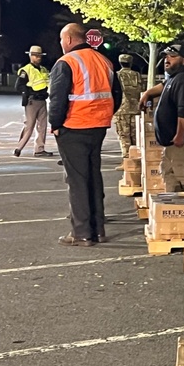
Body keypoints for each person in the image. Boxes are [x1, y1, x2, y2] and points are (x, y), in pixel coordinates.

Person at [48, 23, 123, 246]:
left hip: (74, 127)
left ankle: (81, 233)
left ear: (69, 39)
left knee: (77, 181)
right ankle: (98, 229)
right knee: (93, 176)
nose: (61, 44)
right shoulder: (104, 61)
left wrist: (56, 124)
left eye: (62, 39)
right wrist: (104, 114)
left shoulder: (67, 62)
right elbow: (116, 94)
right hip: (98, 126)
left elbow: (57, 99)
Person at [143, 44, 184, 191]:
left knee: (182, 181)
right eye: (166, 56)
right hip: (173, 144)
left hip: (180, 144)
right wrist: (147, 93)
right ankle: (173, 212)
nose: (167, 59)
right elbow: (164, 85)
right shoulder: (175, 78)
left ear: (183, 60)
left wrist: (179, 136)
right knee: (171, 178)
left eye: (172, 56)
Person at [13, 46, 54, 157]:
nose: (38, 57)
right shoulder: (26, 70)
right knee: (29, 126)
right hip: (32, 101)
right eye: (36, 55)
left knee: (42, 126)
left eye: (39, 55)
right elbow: (19, 86)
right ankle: (18, 148)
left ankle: (39, 149)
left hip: (42, 100)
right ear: (30, 56)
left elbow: (47, 83)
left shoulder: (44, 69)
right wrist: (29, 92)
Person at [113, 53, 143, 165]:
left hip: (121, 109)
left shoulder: (117, 75)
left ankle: (127, 163)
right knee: (135, 136)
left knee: (124, 136)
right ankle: (136, 160)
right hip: (136, 109)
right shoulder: (137, 75)